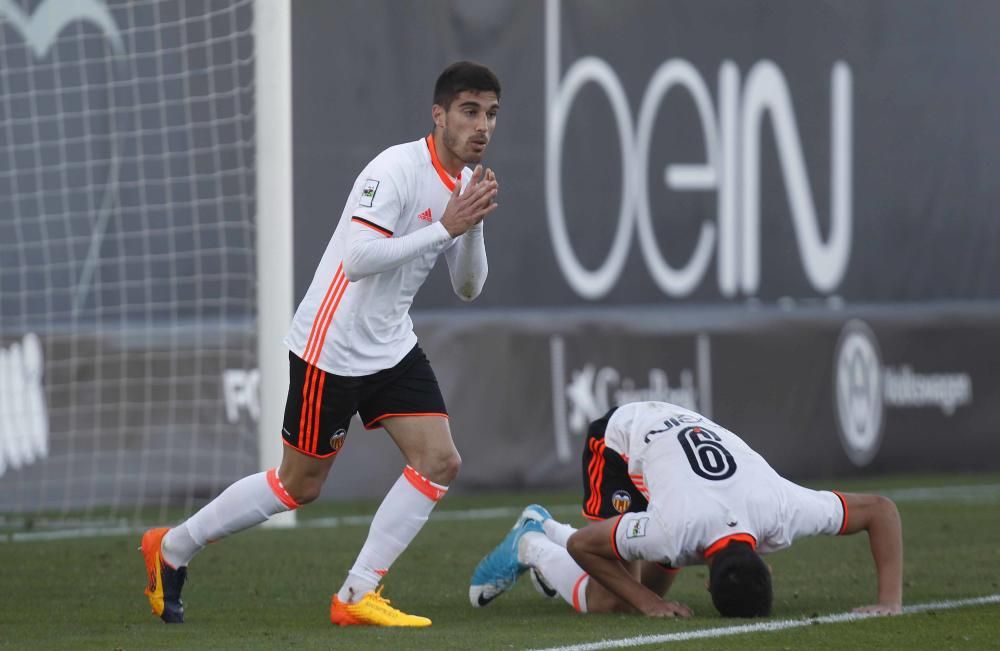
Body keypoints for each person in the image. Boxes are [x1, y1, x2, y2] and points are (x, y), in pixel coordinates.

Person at [142, 61, 502, 627]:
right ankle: (172, 548)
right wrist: (444, 228)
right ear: (438, 115)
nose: (482, 125)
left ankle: (356, 595)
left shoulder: (463, 185)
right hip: (331, 344)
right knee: (297, 485)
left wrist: (471, 223)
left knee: (439, 459)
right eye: (469, 111)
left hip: (389, 343)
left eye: (491, 114)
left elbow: (467, 287)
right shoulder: (395, 167)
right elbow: (356, 261)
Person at [470, 401, 903, 618]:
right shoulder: (674, 532)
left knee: (650, 582)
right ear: (709, 587)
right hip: (620, 441)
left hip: (675, 438)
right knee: (612, 600)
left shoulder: (784, 508)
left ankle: (548, 551)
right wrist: (646, 604)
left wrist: (891, 603)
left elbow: (880, 511)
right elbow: (586, 546)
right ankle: (535, 537)